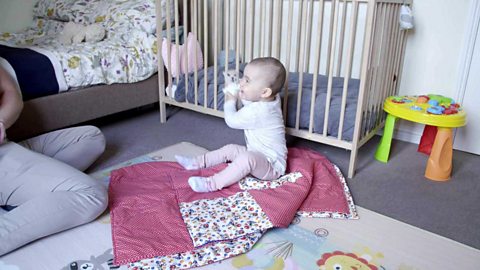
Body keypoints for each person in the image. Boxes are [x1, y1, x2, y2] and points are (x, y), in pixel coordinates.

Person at [0, 66, 108, 256]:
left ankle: (23, 193)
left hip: (7, 145)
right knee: (90, 194)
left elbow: (11, 94)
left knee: (91, 137)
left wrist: (0, 122)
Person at [176, 57, 288, 192]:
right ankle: (196, 163)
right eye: (242, 78)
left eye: (247, 80)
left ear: (264, 92)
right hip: (259, 153)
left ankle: (212, 183)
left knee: (247, 159)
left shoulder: (260, 112)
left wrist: (230, 99)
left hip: (272, 167)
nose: (241, 82)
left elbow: (231, 121)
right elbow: (250, 102)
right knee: (231, 149)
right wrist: (242, 92)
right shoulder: (272, 99)